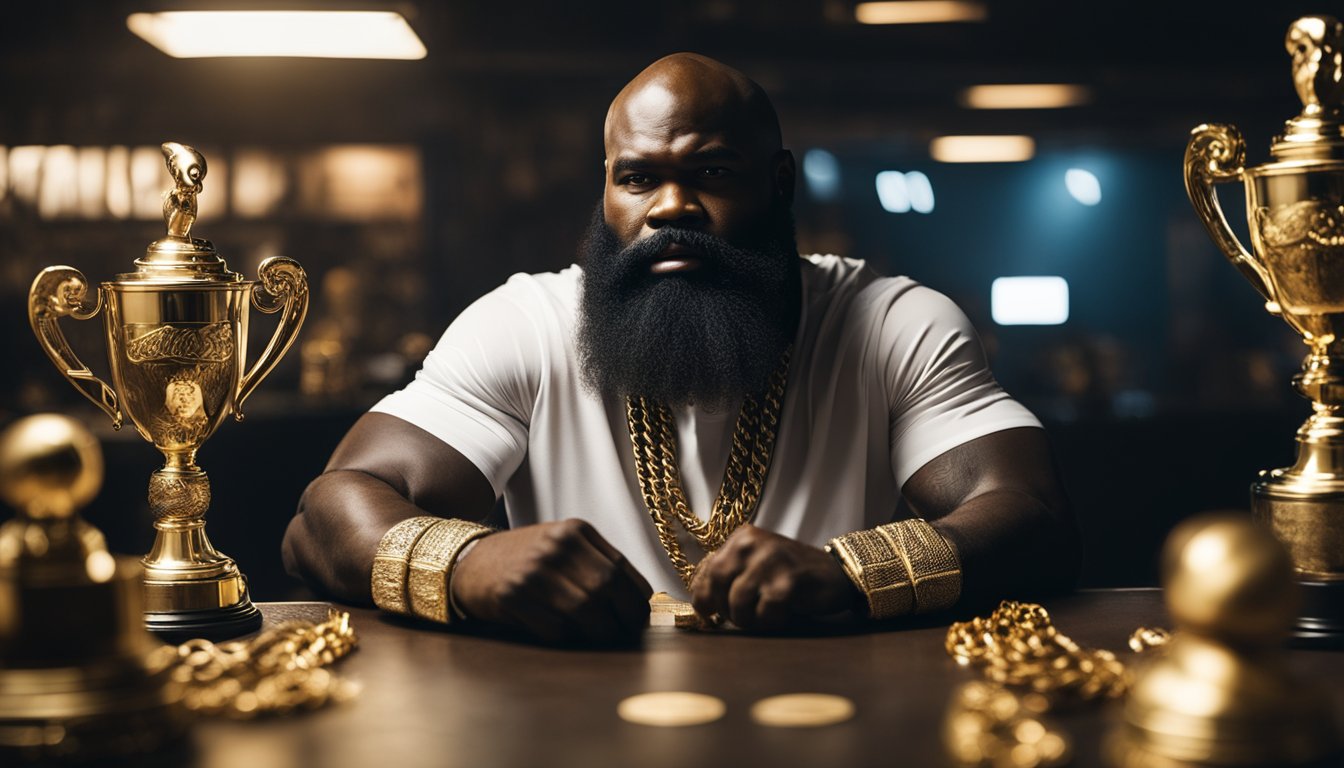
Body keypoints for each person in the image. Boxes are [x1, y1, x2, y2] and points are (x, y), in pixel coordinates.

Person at [282, 52, 1078, 644]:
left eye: (712, 170)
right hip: (568, 725)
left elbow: (1031, 517)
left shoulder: (892, 322)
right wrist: (466, 565)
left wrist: (850, 573)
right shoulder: (524, 321)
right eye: (637, 177)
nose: (671, 207)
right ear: (605, 190)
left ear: (779, 183)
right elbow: (325, 517)